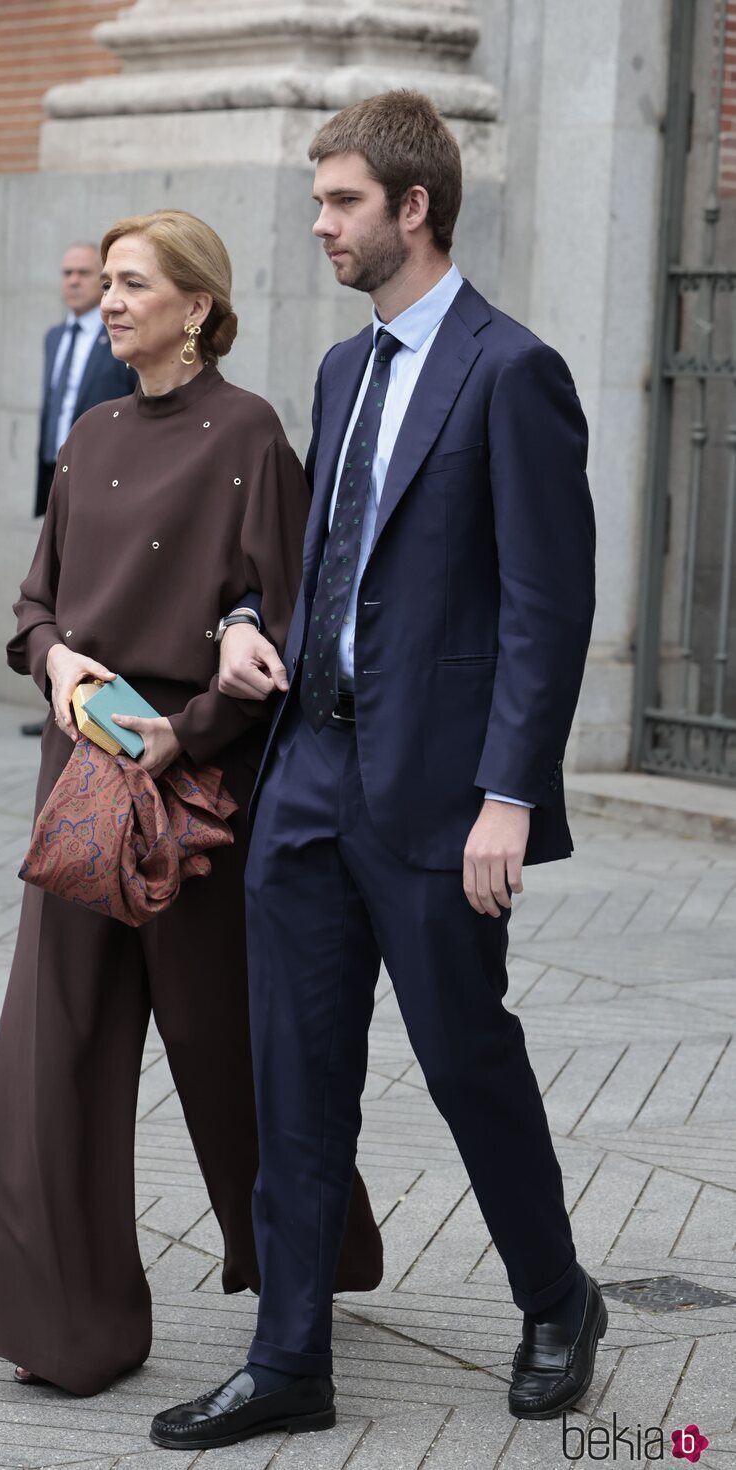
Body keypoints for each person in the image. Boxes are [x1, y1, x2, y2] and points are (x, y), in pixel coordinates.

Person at [151, 90, 602, 1451]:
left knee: (467, 1055)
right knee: (292, 1068)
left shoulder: (512, 370)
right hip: (307, 772)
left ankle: (557, 1295)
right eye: (319, 200)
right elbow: (323, 570)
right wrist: (247, 630)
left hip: (439, 797)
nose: (321, 223)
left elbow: (546, 604)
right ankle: (290, 1353)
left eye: (341, 201)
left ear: (414, 206)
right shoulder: (344, 374)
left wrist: (509, 796)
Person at [0, 208, 383, 1399]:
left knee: (229, 1048)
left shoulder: (247, 435)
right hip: (80, 786)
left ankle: (310, 1255)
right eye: (102, 281)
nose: (107, 300)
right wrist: (55, 663)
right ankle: (71, 1332)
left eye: (132, 283)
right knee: (52, 1060)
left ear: (195, 305)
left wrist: (188, 731)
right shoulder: (89, 426)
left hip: (199, 788)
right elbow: (35, 604)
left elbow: (294, 629)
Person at [21, 242, 137, 737]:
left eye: (86, 274)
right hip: (59, 470)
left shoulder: (118, 341)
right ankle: (61, 692)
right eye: (66, 272)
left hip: (110, 478)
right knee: (58, 588)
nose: (74, 281)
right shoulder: (54, 336)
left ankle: (101, 702)